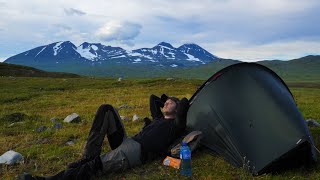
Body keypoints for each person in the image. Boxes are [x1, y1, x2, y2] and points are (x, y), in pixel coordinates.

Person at [20, 94, 189, 180]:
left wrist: (175, 101)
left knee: (93, 167)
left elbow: (184, 101)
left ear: (177, 109)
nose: (165, 103)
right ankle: (88, 155)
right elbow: (153, 99)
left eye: (170, 103)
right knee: (106, 109)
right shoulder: (159, 118)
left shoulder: (175, 125)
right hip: (127, 141)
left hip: (134, 153)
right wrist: (166, 101)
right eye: (165, 103)